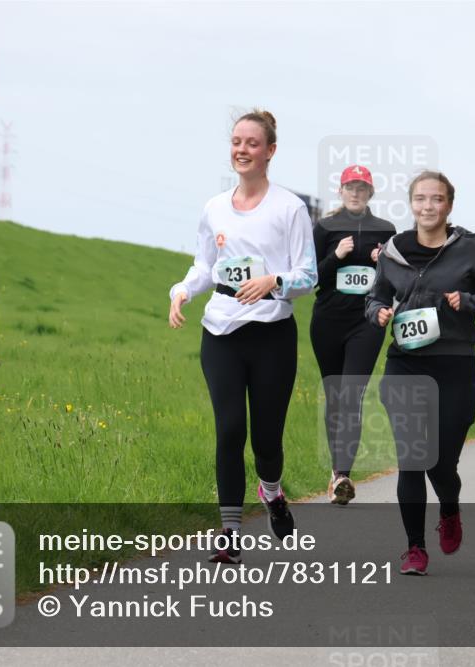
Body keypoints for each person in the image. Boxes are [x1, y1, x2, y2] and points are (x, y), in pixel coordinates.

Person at [168, 109, 318, 563]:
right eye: (237, 141)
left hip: (272, 336)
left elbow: (308, 276)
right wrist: (182, 292)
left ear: (270, 151)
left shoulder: (289, 208)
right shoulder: (214, 208)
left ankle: (271, 491)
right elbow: (205, 268)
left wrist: (273, 282)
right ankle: (229, 534)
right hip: (221, 333)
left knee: (266, 440)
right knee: (230, 430)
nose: (242, 150)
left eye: (252, 143)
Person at [366, 171, 475, 576]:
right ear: (411, 204)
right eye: (420, 199)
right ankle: (414, 548)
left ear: (449, 205)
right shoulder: (394, 250)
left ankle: (449, 508)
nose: (428, 207)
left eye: (437, 200)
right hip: (405, 363)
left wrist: (466, 300)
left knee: (441, 463)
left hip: (453, 364)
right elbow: (376, 293)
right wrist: (377, 311)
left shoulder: (470, 249)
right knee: (412, 458)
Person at [311, 165, 396, 505]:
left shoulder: (385, 230)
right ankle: (336, 474)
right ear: (341, 191)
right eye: (351, 187)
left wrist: (383, 262)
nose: (356, 193)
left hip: (366, 323)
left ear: (370, 193)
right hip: (328, 321)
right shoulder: (325, 227)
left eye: (362, 188)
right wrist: (336, 255)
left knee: (351, 396)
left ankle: (343, 474)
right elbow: (312, 277)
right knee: (336, 398)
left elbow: (398, 280)